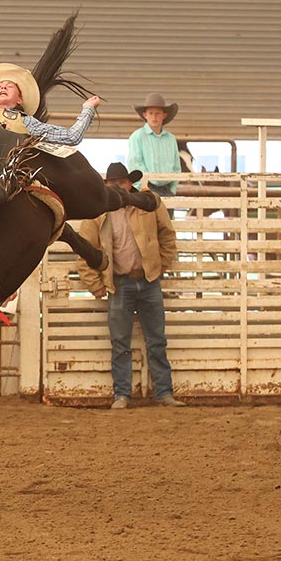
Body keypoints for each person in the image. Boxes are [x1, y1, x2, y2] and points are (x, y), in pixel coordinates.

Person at [0, 62, 101, 289]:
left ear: (19, 100)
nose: (2, 87)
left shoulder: (26, 123)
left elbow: (71, 137)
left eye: (9, 86)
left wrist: (87, 110)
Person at [78, 163, 184, 409]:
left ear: (129, 183)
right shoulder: (99, 211)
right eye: (113, 184)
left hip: (147, 279)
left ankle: (161, 393)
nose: (118, 188)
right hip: (121, 282)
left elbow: (166, 234)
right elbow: (85, 249)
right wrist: (96, 284)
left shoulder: (147, 202)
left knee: (155, 340)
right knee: (122, 342)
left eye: (121, 183)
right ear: (107, 186)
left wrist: (161, 265)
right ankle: (124, 394)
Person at [128, 93, 183, 218]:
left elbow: (176, 166)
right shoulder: (137, 137)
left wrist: (172, 189)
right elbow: (135, 164)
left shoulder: (171, 139)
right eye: (151, 113)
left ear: (164, 115)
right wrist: (143, 188)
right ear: (145, 115)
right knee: (147, 227)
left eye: (158, 113)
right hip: (147, 188)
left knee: (166, 227)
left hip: (167, 188)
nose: (154, 117)